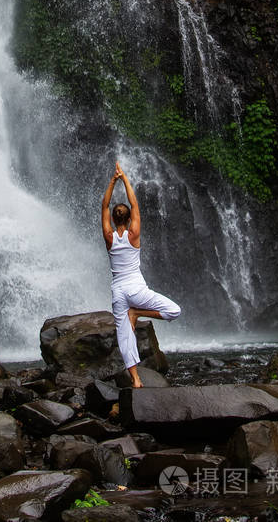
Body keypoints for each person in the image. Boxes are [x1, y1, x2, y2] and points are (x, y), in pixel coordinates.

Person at [102, 161, 180, 388]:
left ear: (114, 219)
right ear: (127, 219)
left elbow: (104, 206)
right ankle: (137, 312)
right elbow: (134, 205)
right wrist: (124, 178)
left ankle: (135, 379)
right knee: (173, 311)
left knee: (124, 336)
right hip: (137, 289)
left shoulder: (109, 237)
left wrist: (112, 181)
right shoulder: (134, 234)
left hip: (118, 291)